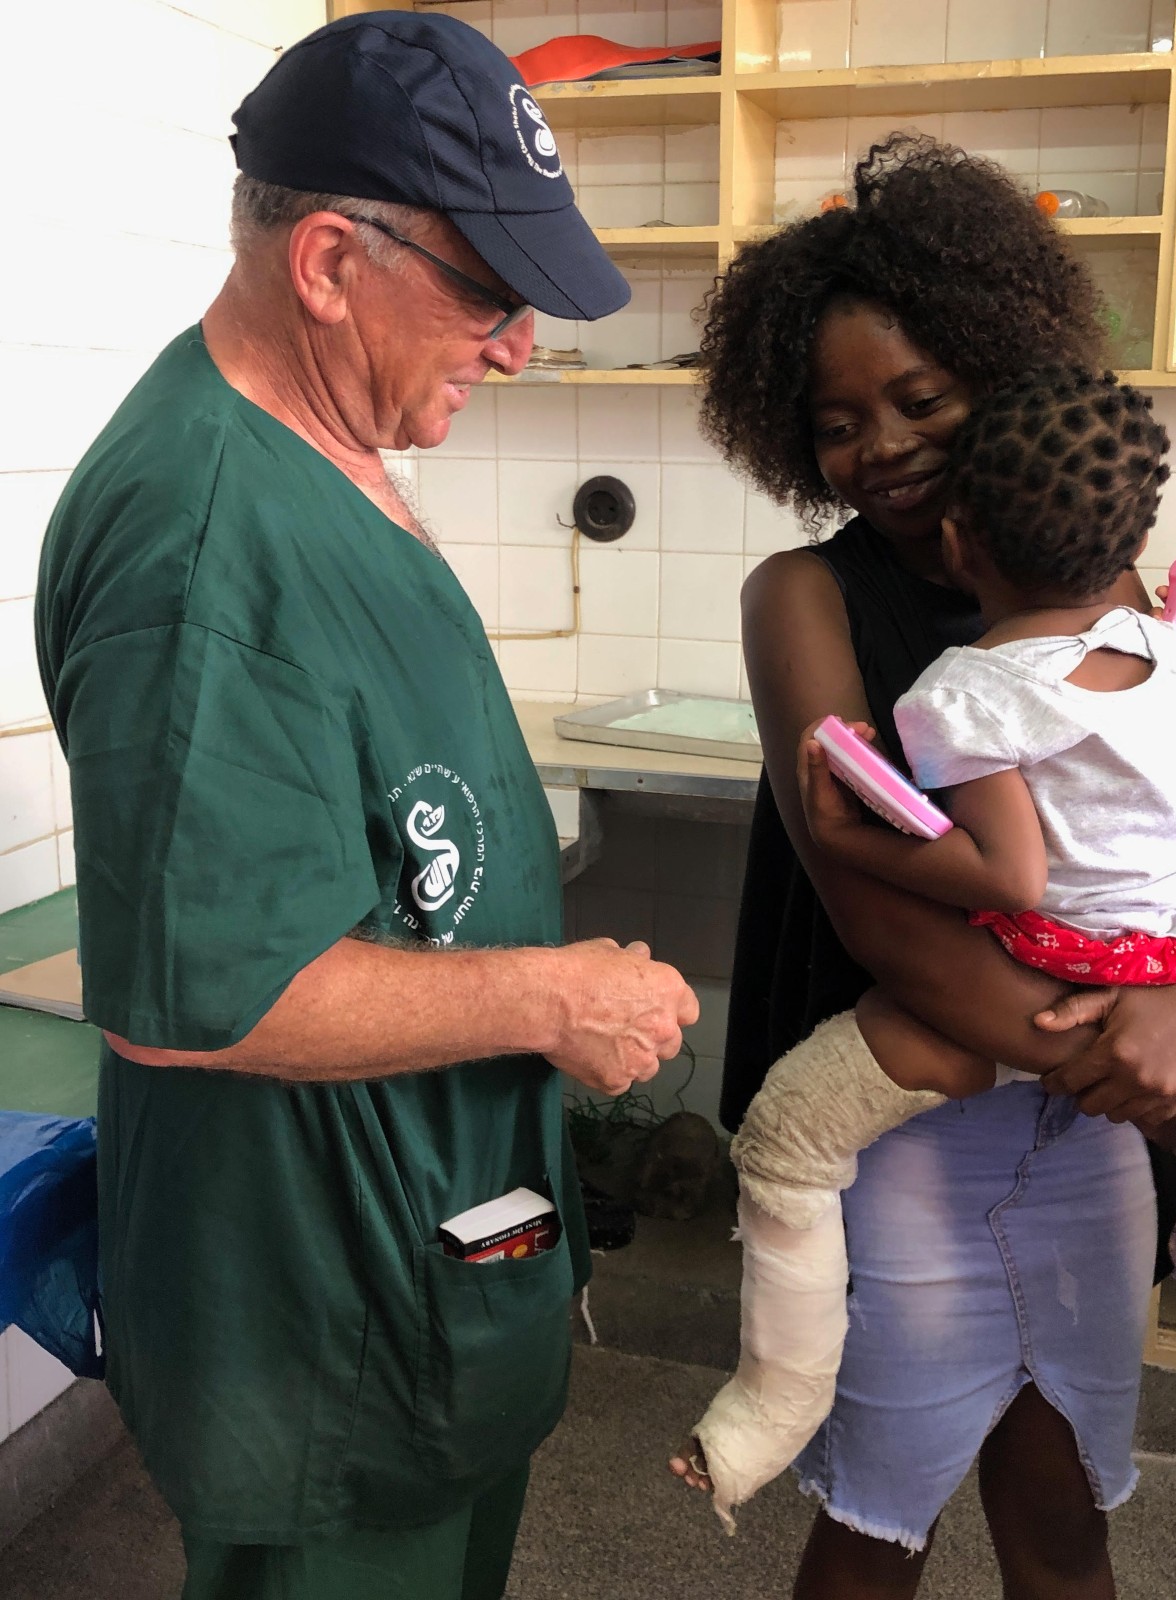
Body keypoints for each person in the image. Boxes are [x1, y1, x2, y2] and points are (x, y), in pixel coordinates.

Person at [35, 14, 697, 1600]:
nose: (517, 346)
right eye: (487, 294)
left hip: (425, 1253)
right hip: (324, 1318)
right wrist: (552, 997)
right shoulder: (204, 547)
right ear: (331, 262)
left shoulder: (322, 449)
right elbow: (208, 997)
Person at [669, 135, 1176, 1598]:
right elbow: (879, 913)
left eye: (921, 399)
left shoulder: (1102, 586)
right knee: (881, 1521)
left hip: (1087, 1122)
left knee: (1062, 1516)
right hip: (904, 1119)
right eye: (838, 423)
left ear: (999, 366)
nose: (884, 446)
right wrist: (1125, 1053)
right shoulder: (803, 596)